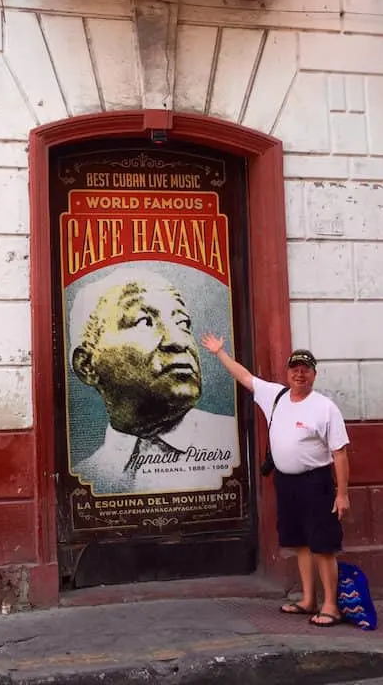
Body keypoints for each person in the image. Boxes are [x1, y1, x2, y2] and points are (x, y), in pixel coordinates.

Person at [201, 336, 350, 628]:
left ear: (314, 374)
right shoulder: (275, 395)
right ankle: (308, 600)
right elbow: (244, 376)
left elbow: (340, 453)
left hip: (316, 483)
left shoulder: (325, 407)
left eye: (305, 369)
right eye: (294, 368)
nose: (299, 373)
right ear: (287, 372)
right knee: (300, 544)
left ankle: (331, 605)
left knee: (323, 545)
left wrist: (342, 494)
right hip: (286, 483)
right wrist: (220, 353)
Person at [68, 268, 239, 494]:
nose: (179, 341)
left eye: (182, 323)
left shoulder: (232, 441)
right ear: (87, 365)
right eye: (143, 321)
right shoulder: (90, 476)